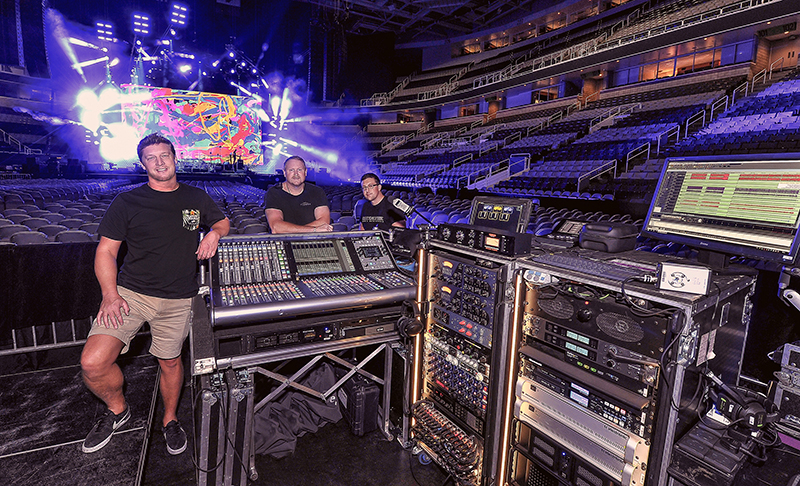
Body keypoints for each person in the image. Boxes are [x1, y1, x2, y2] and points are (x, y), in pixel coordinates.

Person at [80, 133, 230, 455]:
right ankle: (118, 409)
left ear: (175, 158)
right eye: (152, 158)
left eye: (165, 155)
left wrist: (215, 233)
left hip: (179, 298)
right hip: (130, 294)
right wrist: (109, 295)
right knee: (93, 363)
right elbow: (106, 252)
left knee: (171, 363)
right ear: (143, 164)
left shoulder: (196, 197)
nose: (160, 162)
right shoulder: (127, 201)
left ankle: (170, 419)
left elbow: (222, 221)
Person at [264, 155, 332, 233]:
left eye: (299, 170)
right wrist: (313, 230)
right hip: (284, 242)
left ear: (305, 172)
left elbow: (324, 222)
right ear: (284, 173)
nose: (296, 174)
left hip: (312, 242)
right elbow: (276, 227)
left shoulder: (317, 191)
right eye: (291, 170)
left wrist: (290, 230)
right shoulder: (274, 193)